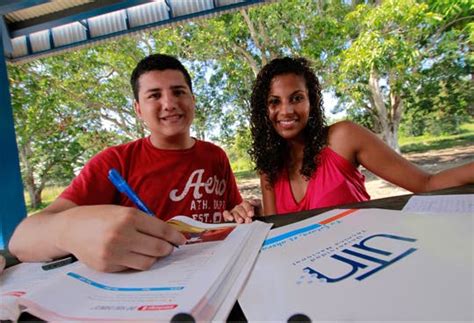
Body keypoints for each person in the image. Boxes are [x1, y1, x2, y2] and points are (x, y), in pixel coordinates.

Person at [9, 54, 256, 272]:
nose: (169, 103)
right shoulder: (114, 163)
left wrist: (240, 211)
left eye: (179, 92)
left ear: (192, 99)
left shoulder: (215, 155)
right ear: (138, 109)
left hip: (220, 271)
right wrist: (70, 230)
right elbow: (21, 240)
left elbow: (233, 212)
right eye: (154, 95)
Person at [249, 57, 474, 215]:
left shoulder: (343, 137)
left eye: (296, 98)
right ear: (264, 110)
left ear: (311, 102)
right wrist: (249, 210)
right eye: (274, 101)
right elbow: (274, 227)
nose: (286, 110)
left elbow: (427, 183)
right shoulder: (269, 166)